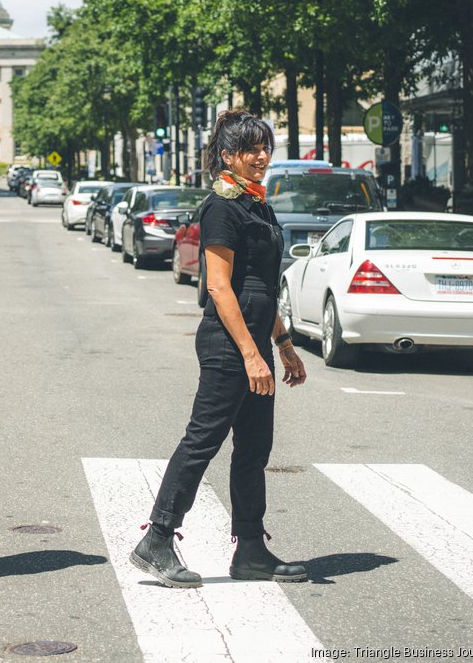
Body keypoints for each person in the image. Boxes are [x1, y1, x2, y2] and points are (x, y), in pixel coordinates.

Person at [131, 109, 308, 588]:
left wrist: (283, 344)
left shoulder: (259, 206)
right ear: (227, 155)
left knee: (254, 449)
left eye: (265, 147)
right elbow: (222, 288)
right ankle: (158, 539)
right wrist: (251, 354)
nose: (261, 156)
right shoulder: (221, 207)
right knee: (202, 440)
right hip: (228, 345)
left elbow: (263, 287)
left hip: (256, 341)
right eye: (251, 149)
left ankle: (250, 550)